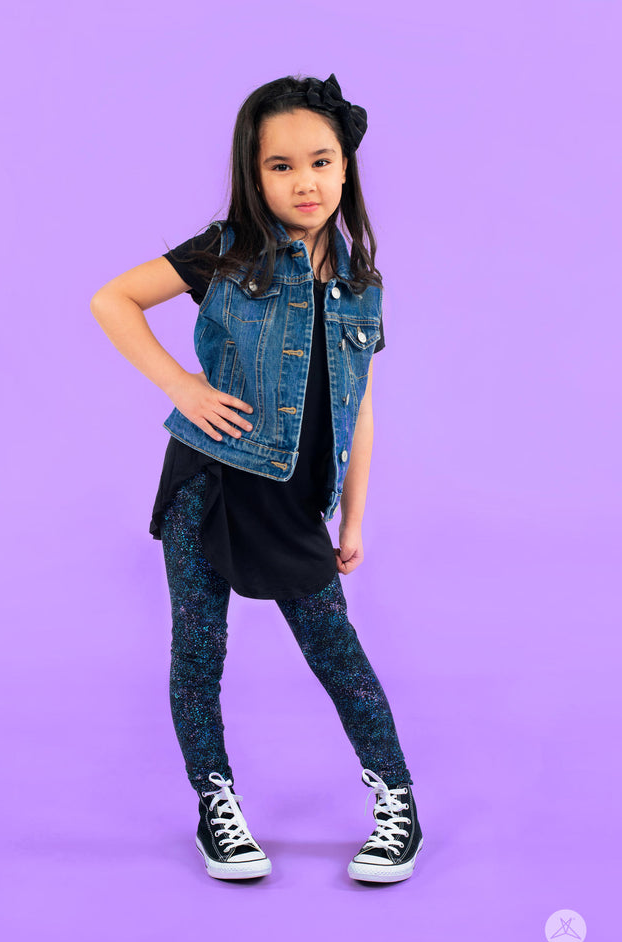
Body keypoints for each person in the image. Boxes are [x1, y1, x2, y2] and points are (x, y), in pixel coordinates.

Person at [90, 73, 423, 885]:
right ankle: (216, 803)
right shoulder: (228, 251)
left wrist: (352, 520)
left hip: (292, 501)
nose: (304, 181)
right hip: (206, 483)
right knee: (199, 650)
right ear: (255, 173)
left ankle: (399, 804)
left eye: (320, 161)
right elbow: (114, 300)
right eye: (281, 165)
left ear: (345, 167)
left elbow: (358, 410)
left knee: (338, 654)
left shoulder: (363, 288)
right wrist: (182, 387)